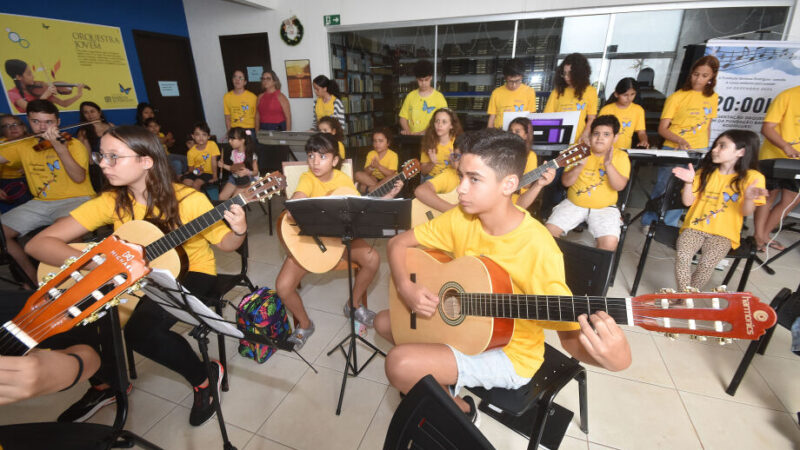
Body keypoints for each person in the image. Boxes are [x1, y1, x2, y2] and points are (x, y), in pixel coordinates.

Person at [373, 129, 631, 420]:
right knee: (384, 322)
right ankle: (437, 378)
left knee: (400, 364)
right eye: (461, 176)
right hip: (466, 325)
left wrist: (615, 359)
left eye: (474, 179)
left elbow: (569, 337)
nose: (460, 189)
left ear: (508, 184)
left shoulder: (537, 249)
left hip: (510, 353)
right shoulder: (462, 216)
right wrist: (406, 287)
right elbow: (397, 244)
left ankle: (462, 412)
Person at [26, 125, 248, 426]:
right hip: (133, 276)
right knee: (67, 319)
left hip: (192, 271)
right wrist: (102, 264)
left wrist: (239, 230)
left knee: (141, 333)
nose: (103, 164)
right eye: (101, 155)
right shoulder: (112, 201)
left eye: (113, 156)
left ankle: (204, 378)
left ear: (146, 161)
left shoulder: (189, 200)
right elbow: (37, 244)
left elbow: (226, 244)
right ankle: (106, 384)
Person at [276, 133, 401, 349]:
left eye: (322, 156)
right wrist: (294, 204)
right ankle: (305, 325)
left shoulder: (343, 180)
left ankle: (352, 305)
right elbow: (298, 195)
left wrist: (387, 198)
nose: (315, 161)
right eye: (311, 156)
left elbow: (359, 210)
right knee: (283, 287)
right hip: (313, 243)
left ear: (335, 160)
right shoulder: (308, 178)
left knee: (373, 259)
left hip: (340, 240)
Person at [0, 100, 95, 285]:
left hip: (76, 198)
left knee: (67, 235)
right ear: (28, 120)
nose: (42, 127)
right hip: (40, 202)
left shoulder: (72, 144)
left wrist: (61, 149)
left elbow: (78, 177)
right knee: (2, 232)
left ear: (57, 122)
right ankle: (33, 280)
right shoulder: (23, 144)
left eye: (48, 122)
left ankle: (76, 283)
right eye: (36, 121)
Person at [671, 130, 766, 291]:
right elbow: (688, 202)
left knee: (707, 263)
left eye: (722, 146)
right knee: (683, 256)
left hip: (724, 234)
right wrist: (689, 183)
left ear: (741, 151)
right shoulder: (704, 173)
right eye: (715, 145)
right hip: (695, 228)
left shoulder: (753, 177)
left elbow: (746, 212)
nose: (714, 149)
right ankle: (683, 297)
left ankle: (685, 297)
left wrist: (749, 197)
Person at [642, 55, 719, 228]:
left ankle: (669, 224)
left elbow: (707, 125)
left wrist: (706, 148)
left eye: (704, 76)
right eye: (696, 74)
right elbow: (663, 128)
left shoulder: (713, 98)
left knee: (686, 188)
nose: (698, 79)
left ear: (712, 78)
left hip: (698, 150)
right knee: (663, 186)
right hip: (673, 149)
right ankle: (650, 221)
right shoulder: (677, 97)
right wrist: (679, 139)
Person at [545, 115, 630, 251]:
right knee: (548, 234)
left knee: (609, 244)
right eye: (596, 134)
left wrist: (608, 165)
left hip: (605, 208)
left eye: (606, 134)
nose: (600, 138)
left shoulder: (621, 156)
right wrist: (579, 166)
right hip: (574, 203)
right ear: (590, 136)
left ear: (615, 138)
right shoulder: (579, 151)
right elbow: (566, 182)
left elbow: (619, 186)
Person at [754, 85, 800, 252]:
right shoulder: (787, 95)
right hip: (774, 156)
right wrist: (786, 146)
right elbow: (767, 128)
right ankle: (758, 238)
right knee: (767, 197)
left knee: (792, 200)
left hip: (798, 161)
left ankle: (765, 235)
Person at [544, 53, 598, 145]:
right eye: (564, 73)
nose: (566, 77)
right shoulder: (557, 92)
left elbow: (591, 118)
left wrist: (585, 135)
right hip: (557, 142)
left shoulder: (590, 91)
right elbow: (547, 118)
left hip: (579, 141)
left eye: (570, 74)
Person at [508, 117, 556, 209]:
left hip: (517, 198)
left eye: (517, 131)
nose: (512, 134)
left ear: (526, 135)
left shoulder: (530, 155)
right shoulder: (500, 152)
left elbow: (527, 185)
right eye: (511, 131)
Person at [4, 59, 84, 113]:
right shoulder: (12, 94)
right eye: (29, 74)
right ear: (18, 77)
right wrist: (46, 94)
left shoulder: (40, 89)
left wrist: (78, 95)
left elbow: (64, 103)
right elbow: (30, 108)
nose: (33, 76)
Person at [399, 60, 448, 135]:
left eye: (426, 79)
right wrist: (408, 131)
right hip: (412, 138)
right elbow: (403, 117)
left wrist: (425, 132)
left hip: (431, 138)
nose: (423, 83)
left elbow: (444, 120)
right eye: (420, 80)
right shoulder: (410, 96)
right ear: (416, 79)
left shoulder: (439, 97)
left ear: (431, 77)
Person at [599, 78, 649, 150]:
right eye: (625, 95)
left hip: (624, 151)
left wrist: (644, 141)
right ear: (616, 94)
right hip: (604, 150)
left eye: (632, 94)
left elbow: (641, 132)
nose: (629, 98)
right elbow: (598, 131)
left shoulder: (638, 110)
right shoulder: (606, 109)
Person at [487, 59, 537, 129]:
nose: (514, 85)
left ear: (522, 76)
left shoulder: (529, 92)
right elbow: (492, 116)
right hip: (500, 133)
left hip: (520, 134)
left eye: (517, 81)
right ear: (505, 78)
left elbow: (531, 116)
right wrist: (489, 133)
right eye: (510, 81)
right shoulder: (497, 93)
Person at [420, 108, 462, 180]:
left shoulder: (459, 142)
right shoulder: (428, 141)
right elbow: (423, 172)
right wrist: (432, 163)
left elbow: (464, 171)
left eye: (444, 122)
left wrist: (454, 162)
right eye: (437, 121)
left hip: (452, 178)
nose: (439, 125)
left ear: (451, 125)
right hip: (432, 177)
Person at [0, 114, 31, 212]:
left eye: (15, 124)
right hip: (8, 181)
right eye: (6, 126)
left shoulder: (33, 140)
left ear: (24, 127)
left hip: (31, 178)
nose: (13, 128)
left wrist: (30, 166)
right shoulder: (2, 143)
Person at [218, 127, 259, 201]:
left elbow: (255, 173)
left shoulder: (251, 155)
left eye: (232, 139)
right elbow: (233, 168)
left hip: (249, 180)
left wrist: (247, 172)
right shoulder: (233, 152)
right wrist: (223, 165)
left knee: (234, 200)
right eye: (229, 139)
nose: (230, 141)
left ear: (242, 140)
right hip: (235, 178)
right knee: (221, 198)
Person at [354, 127, 398, 193]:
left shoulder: (393, 155)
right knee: (357, 174)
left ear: (388, 143)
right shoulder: (371, 154)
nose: (377, 144)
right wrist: (371, 167)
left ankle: (370, 189)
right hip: (372, 180)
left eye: (380, 141)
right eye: (375, 141)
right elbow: (366, 173)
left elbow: (391, 173)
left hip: (386, 179)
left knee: (394, 177)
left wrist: (378, 166)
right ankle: (378, 188)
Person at [182, 122, 220, 191]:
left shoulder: (212, 145)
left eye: (204, 135)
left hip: (209, 172)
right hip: (196, 171)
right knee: (185, 183)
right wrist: (197, 171)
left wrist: (215, 176)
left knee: (196, 184)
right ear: (193, 136)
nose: (201, 137)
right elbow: (190, 169)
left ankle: (200, 201)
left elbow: (214, 161)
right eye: (197, 134)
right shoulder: (190, 152)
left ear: (208, 136)